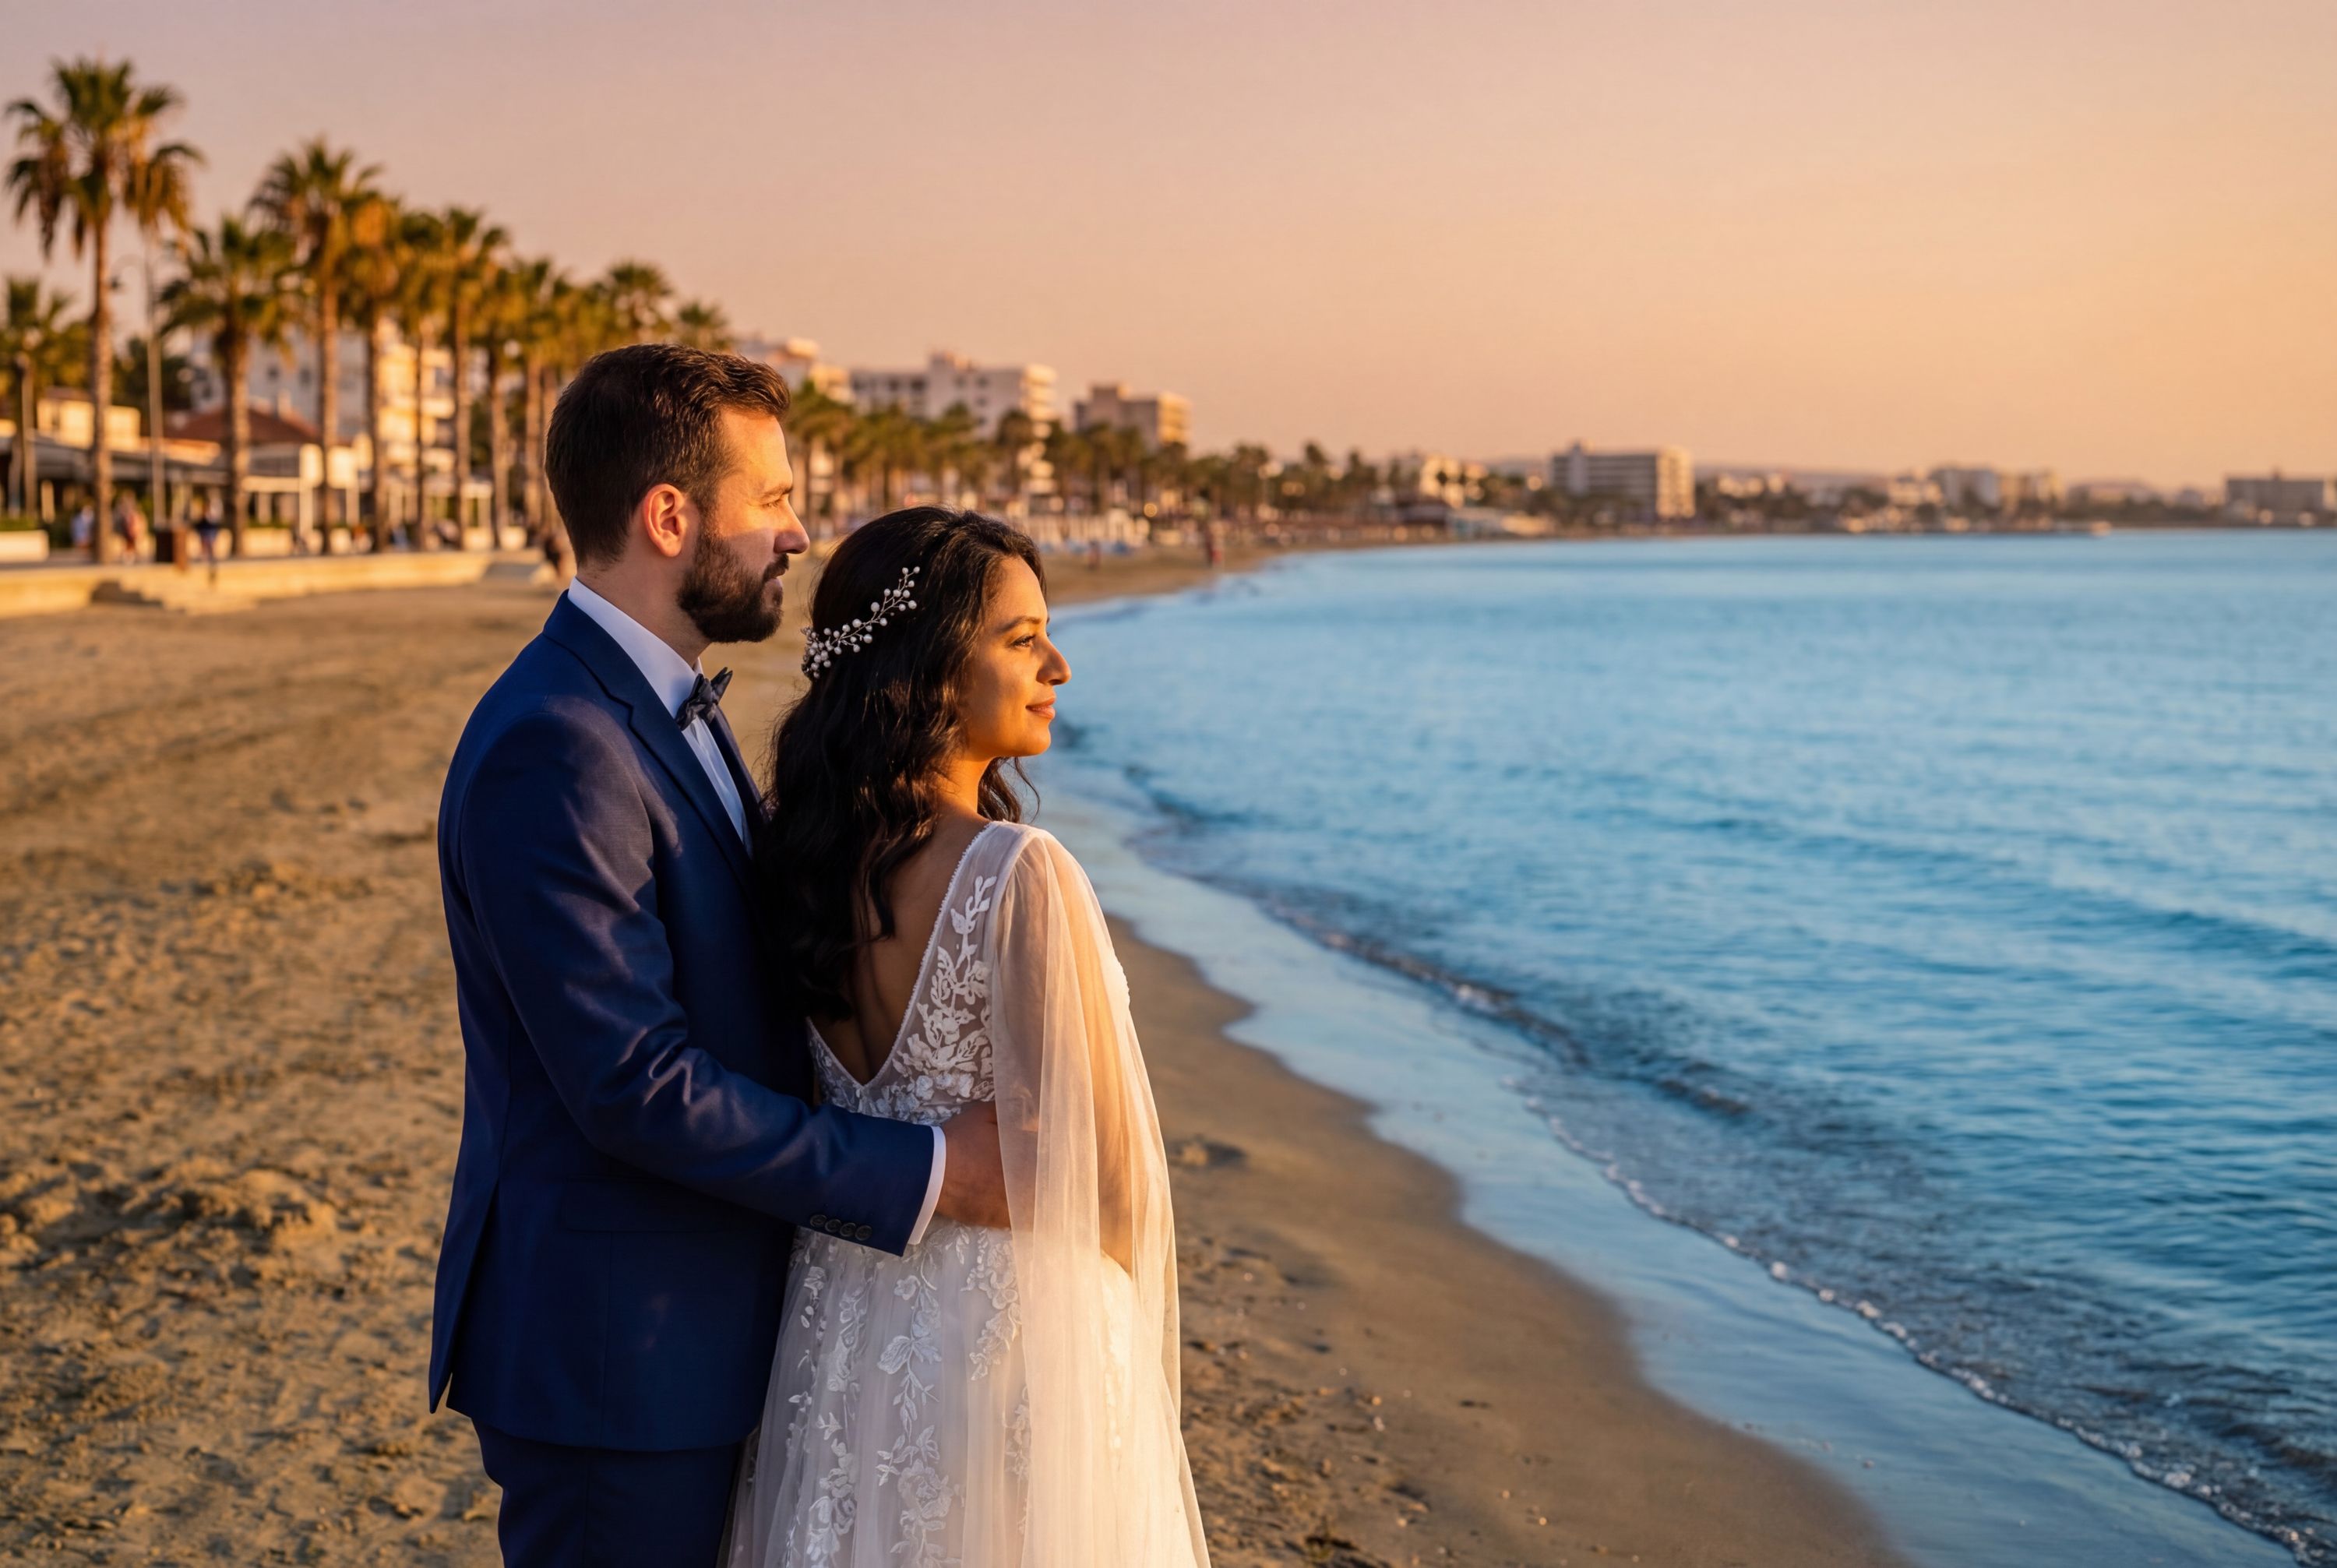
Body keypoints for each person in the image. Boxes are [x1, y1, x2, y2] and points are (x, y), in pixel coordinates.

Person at [430, 346, 1010, 1568]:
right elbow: (634, 1086)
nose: (800, 533)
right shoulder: (561, 743)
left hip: (697, 1331)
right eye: (777, 500)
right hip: (616, 1358)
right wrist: (931, 1173)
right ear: (671, 517)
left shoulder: (660, 705)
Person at [724, 509, 1211, 1566]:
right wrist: (1112, 1362)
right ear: (934, 665)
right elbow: (1111, 1180)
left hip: (839, 1329)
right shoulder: (1017, 874)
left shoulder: (794, 867)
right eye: (1022, 636)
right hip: (1006, 1343)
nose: (1059, 664)